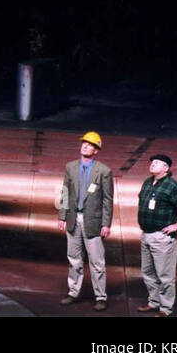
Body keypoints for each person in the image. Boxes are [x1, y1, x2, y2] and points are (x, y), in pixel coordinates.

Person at [57, 130, 113, 310]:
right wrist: (62, 215)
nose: (85, 146)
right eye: (84, 143)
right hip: (74, 219)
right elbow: (65, 191)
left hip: (93, 222)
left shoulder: (104, 171)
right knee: (74, 258)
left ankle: (101, 296)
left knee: (96, 261)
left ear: (96, 150)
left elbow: (107, 199)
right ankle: (73, 292)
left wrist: (106, 223)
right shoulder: (70, 167)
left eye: (90, 144)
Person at [136, 152, 177, 316]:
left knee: (165, 275)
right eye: (152, 162)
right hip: (146, 234)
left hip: (162, 237)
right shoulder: (148, 182)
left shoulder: (172, 186)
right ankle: (154, 302)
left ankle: (165, 308)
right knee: (147, 272)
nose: (152, 164)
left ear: (166, 168)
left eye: (156, 162)